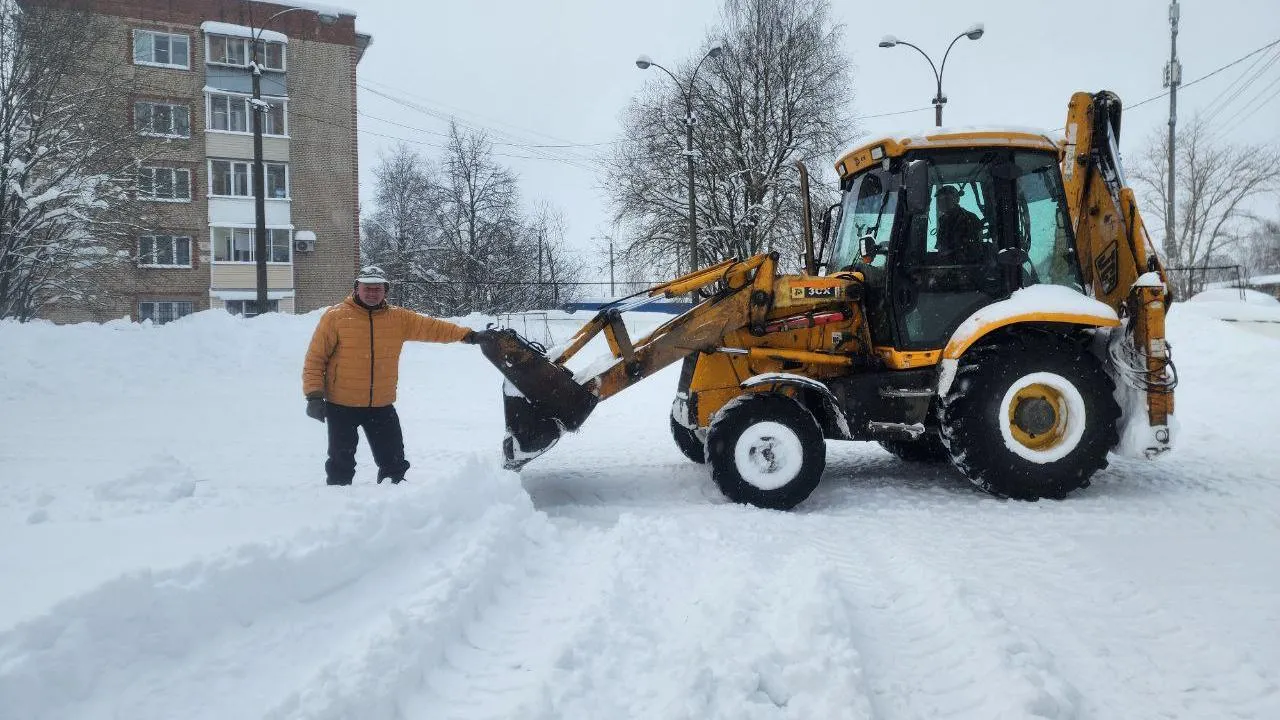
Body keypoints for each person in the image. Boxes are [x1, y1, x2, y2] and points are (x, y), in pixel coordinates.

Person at [302, 266, 488, 486]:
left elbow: (433, 327)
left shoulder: (398, 318)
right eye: (367, 288)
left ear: (385, 291)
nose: (372, 293)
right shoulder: (336, 317)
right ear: (356, 289)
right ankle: (338, 502)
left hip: (381, 404)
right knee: (341, 462)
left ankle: (394, 501)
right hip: (341, 404)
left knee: (394, 461)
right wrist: (314, 396)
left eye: (377, 289)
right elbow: (316, 358)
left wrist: (468, 335)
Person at [934, 185, 985, 262]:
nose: (942, 202)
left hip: (967, 266)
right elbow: (941, 247)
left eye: (946, 199)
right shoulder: (943, 220)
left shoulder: (971, 218)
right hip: (947, 265)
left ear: (956, 199)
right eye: (939, 199)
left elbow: (978, 245)